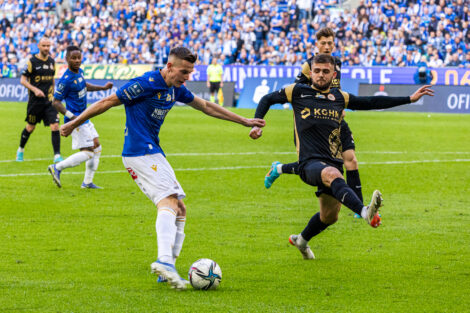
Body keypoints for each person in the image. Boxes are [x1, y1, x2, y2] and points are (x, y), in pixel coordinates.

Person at [59, 47, 265, 289]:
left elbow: (205, 106)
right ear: (169, 67)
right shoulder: (146, 83)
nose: (187, 77)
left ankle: (168, 267)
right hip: (138, 151)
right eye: (184, 71)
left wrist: (244, 121)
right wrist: (74, 123)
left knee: (180, 208)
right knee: (168, 200)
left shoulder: (175, 88)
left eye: (190, 72)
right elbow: (107, 101)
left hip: (151, 150)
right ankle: (164, 260)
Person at [249, 54, 433, 259]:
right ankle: (365, 212)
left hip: (332, 162)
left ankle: (301, 240)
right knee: (331, 173)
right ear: (311, 73)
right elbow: (267, 99)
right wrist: (257, 124)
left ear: (333, 74)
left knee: (329, 216)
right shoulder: (297, 91)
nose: (320, 75)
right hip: (309, 164)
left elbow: (371, 101)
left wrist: (409, 98)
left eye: (325, 72)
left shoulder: (339, 97)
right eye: (316, 71)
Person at [264, 27, 364, 218]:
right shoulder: (308, 66)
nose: (327, 46)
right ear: (316, 45)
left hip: (335, 119)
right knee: (313, 163)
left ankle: (359, 208)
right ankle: (278, 168)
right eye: (323, 43)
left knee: (351, 159)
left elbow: (336, 89)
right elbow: (296, 90)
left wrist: (338, 105)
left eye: (330, 43)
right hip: (313, 121)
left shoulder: (337, 63)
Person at [47, 46, 113, 189]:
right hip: (76, 120)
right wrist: (72, 117)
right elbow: (55, 102)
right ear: (67, 59)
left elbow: (84, 85)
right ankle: (57, 167)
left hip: (84, 117)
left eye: (79, 57)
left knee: (97, 147)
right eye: (73, 58)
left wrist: (103, 88)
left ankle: (87, 182)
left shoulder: (80, 72)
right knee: (89, 152)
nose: (77, 60)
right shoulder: (66, 80)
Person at [16, 37, 62, 163]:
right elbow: (23, 80)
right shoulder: (32, 62)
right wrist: (35, 90)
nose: (46, 48)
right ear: (39, 46)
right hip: (35, 102)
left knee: (55, 125)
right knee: (30, 127)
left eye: (48, 45)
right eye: (44, 46)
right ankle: (20, 149)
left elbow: (52, 79)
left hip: (49, 101)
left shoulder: (52, 62)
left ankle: (57, 155)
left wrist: (54, 93)